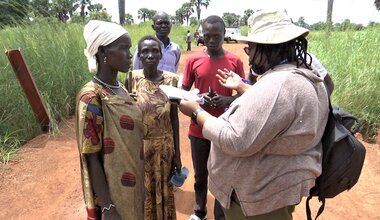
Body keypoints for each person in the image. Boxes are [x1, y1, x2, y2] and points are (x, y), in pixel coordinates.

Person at [178, 9, 329, 220]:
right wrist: (241, 87)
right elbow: (275, 109)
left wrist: (196, 111)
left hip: (259, 200)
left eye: (251, 48)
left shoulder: (279, 84)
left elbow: (235, 139)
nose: (248, 54)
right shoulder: (300, 74)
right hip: (274, 190)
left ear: (267, 48)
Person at [76, 20, 144, 220]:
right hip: (114, 194)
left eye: (129, 48)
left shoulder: (120, 88)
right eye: (123, 48)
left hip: (135, 182)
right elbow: (91, 156)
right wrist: (107, 207)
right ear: (103, 52)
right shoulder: (91, 97)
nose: (130, 55)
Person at [181, 15, 245, 220]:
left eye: (216, 35)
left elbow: (244, 94)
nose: (211, 39)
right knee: (201, 175)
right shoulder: (193, 60)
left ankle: (220, 215)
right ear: (201, 35)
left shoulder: (235, 61)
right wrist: (199, 99)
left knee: (223, 177)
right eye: (207, 35)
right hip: (198, 129)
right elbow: (183, 93)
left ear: (224, 34)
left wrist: (225, 101)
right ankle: (200, 211)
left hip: (226, 129)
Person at [126, 35, 182, 220]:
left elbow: (174, 119)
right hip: (140, 149)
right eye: (145, 51)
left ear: (161, 55)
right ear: (139, 56)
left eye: (154, 51)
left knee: (164, 192)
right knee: (143, 194)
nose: (150, 55)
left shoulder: (172, 81)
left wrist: (177, 156)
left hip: (164, 150)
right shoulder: (131, 78)